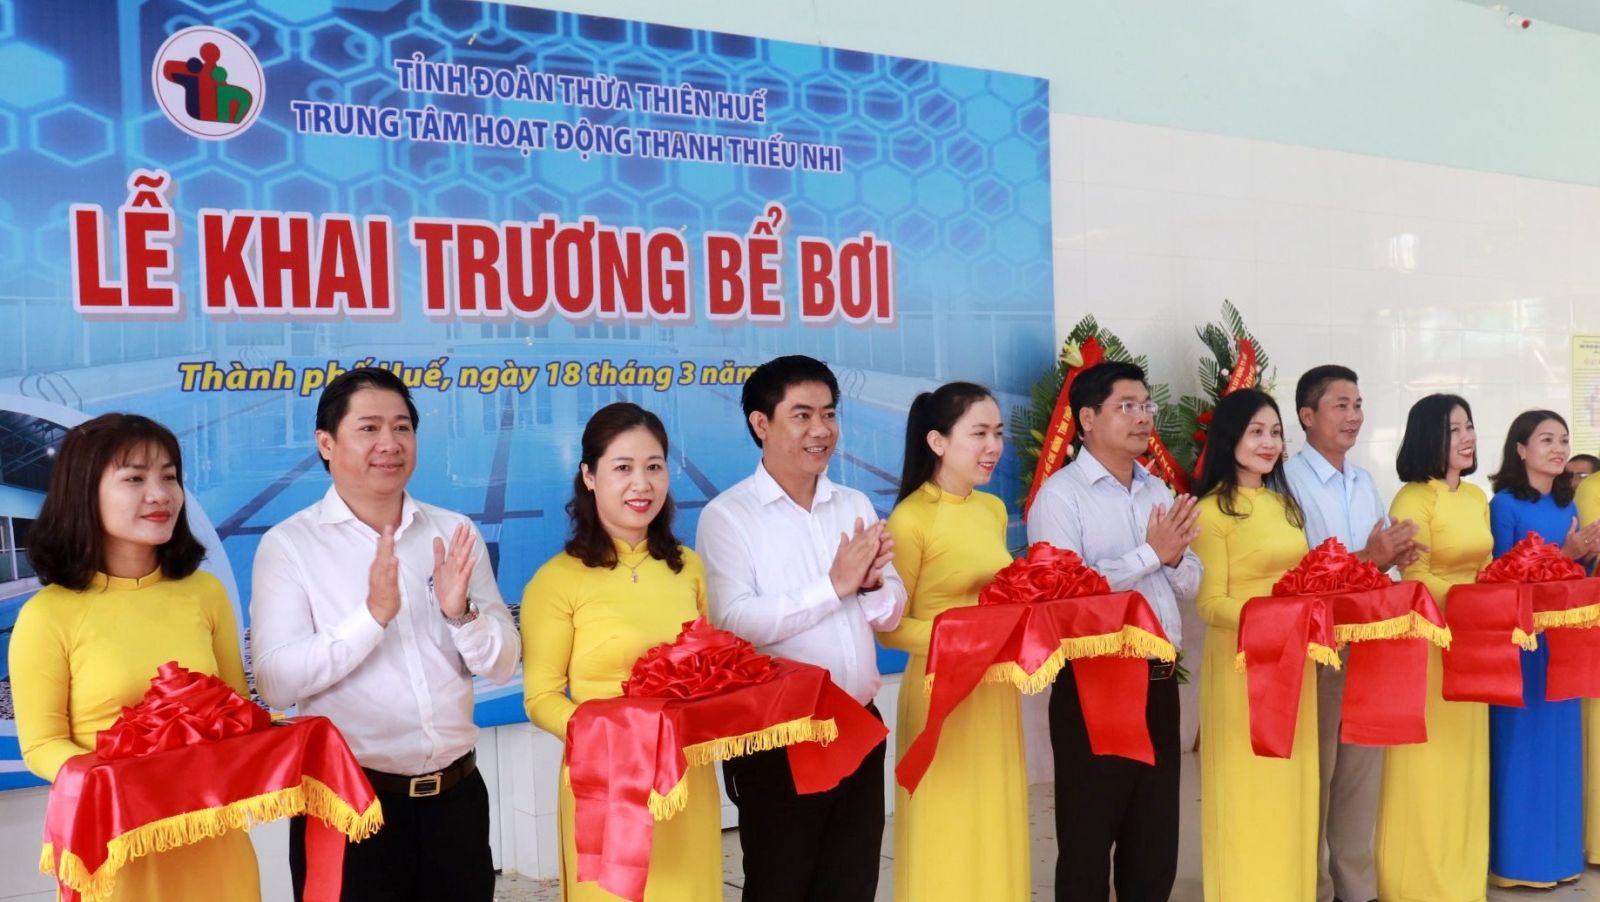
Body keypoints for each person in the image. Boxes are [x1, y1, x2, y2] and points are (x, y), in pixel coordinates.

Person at [250, 367, 520, 901]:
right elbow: (276, 684)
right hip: (348, 806)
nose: (390, 443)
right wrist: (370, 619)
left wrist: (460, 613)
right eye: (369, 428)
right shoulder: (290, 546)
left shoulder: (453, 531)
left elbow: (503, 662)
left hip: (456, 801)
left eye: (402, 427)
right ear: (326, 444)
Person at [11, 413, 260, 900]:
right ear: (85, 492)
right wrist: (126, 781)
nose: (160, 494)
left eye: (169, 477)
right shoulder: (47, 615)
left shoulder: (204, 593)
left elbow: (237, 710)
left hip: (215, 839)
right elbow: (42, 745)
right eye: (135, 478)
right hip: (116, 845)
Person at [695, 354, 906, 902]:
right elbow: (734, 622)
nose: (821, 430)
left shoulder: (853, 503)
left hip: (858, 725)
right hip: (779, 737)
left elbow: (891, 613)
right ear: (761, 424)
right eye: (803, 415)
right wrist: (832, 587)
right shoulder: (728, 516)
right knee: (781, 884)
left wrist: (870, 587)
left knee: (852, 882)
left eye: (829, 414)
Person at [522, 402, 720, 900]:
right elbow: (541, 698)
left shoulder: (689, 567)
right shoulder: (556, 580)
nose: (642, 484)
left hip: (686, 778)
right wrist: (610, 735)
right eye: (623, 468)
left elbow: (711, 667)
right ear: (589, 476)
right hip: (605, 781)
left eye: (654, 467)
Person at [1026, 361, 1199, 902]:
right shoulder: (1060, 496)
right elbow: (1065, 592)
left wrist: (1172, 557)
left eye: (1147, 405)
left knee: (1154, 838)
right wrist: (1152, 553)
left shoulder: (1155, 488)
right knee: (1088, 837)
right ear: (1086, 418)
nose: (1143, 417)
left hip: (1159, 680)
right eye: (1127, 406)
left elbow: (1190, 579)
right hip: (1096, 683)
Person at [881, 382, 1028, 901]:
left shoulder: (991, 510)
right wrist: (964, 637)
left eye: (998, 434)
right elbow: (888, 626)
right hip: (939, 692)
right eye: (979, 434)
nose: (993, 447)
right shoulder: (910, 519)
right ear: (938, 442)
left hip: (994, 692)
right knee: (946, 826)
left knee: (995, 819)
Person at [1282, 365, 1421, 902]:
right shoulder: (1286, 483)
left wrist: (1397, 556)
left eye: (1358, 404)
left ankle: (1355, 889)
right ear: (1307, 415)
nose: (1354, 416)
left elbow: (1378, 561)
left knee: (1362, 775)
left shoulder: (1363, 481)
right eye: (1340, 405)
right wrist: (1371, 556)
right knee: (1317, 773)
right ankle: (1313, 886)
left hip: (1371, 642)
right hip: (1319, 645)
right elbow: (1301, 574)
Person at [1191, 389, 1315, 901]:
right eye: (1256, 432)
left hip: (1295, 659)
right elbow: (1210, 604)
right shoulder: (1210, 512)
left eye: (1276, 432)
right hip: (1240, 666)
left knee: (1291, 780)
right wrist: (1270, 616)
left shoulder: (1286, 505)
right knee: (1247, 784)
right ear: (1230, 439)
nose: (1269, 443)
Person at [1373, 394, 1491, 901]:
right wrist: (1478, 599)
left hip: (1474, 640)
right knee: (1426, 764)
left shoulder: (1477, 497)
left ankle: (1462, 879)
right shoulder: (1412, 499)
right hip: (1428, 643)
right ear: (1429, 436)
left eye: (1469, 426)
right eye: (1453, 429)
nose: (1467, 437)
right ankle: (1416, 883)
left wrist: (1497, 590)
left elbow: (1485, 567)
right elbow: (1414, 579)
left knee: (1466, 762)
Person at [1484, 410, 1600, 888]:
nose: (1558, 449)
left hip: (1563, 643)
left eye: (1564, 440)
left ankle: (1561, 858)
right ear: (1520, 448)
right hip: (1523, 645)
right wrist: (1565, 555)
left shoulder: (1567, 505)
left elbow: (1576, 578)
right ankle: (1518, 864)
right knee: (1522, 750)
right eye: (1546, 439)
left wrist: (1587, 558)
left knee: (1561, 752)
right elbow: (1500, 579)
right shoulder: (1503, 505)